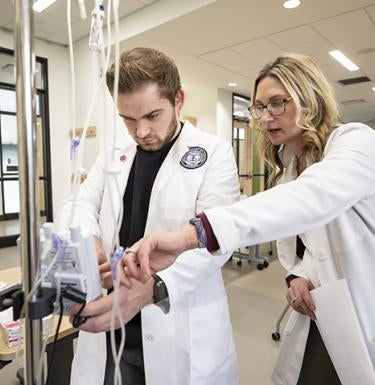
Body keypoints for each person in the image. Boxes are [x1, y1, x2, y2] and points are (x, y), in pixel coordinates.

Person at [121, 53, 375, 385]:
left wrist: (192, 234)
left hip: (364, 308)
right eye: (259, 107)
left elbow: (311, 200)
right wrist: (299, 275)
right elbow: (314, 246)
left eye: (277, 104)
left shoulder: (357, 142)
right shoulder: (289, 167)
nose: (265, 117)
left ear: (310, 100)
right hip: (323, 311)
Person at [58, 47, 241, 385]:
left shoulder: (214, 153)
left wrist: (152, 289)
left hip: (176, 320)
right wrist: (92, 245)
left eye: (152, 116)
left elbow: (217, 238)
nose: (140, 131)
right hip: (112, 323)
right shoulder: (113, 155)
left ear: (178, 100)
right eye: (128, 119)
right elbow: (80, 203)